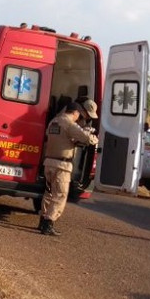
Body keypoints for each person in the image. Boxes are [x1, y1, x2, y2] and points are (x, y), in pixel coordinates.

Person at [38, 101, 99, 236]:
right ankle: (48, 223)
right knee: (60, 195)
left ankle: (42, 219)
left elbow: (59, 138)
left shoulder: (54, 122)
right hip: (62, 166)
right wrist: (94, 138)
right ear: (76, 113)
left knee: (49, 193)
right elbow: (86, 138)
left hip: (49, 163)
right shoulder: (69, 124)